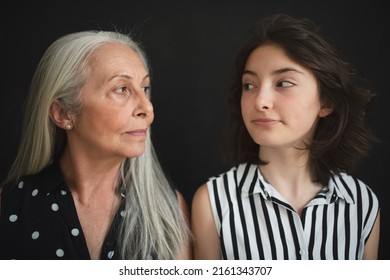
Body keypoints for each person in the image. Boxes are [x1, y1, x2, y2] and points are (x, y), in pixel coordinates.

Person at [191, 14, 380, 260]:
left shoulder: (361, 202)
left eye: (283, 83)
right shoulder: (212, 203)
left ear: (327, 101)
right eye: (250, 85)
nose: (260, 101)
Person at [0, 30, 191, 260]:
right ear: (63, 113)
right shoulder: (8, 208)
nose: (147, 109)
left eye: (145, 88)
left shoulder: (170, 210)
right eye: (122, 89)